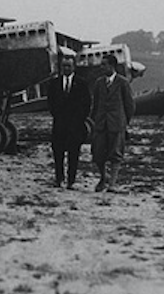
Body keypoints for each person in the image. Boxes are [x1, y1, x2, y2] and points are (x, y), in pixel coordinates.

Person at [90, 54, 135, 192]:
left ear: (112, 66)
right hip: (101, 124)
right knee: (97, 154)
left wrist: (124, 122)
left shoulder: (123, 83)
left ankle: (112, 184)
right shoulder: (98, 83)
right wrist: (93, 120)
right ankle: (103, 178)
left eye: (104, 64)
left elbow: (130, 105)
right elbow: (95, 104)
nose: (101, 67)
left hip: (117, 124)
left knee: (115, 154)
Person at [48, 51, 92, 188]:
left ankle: (71, 181)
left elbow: (87, 103)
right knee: (58, 152)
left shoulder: (81, 84)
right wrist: (57, 115)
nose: (66, 69)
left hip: (75, 125)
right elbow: (50, 102)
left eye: (69, 66)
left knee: (73, 153)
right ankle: (59, 178)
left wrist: (79, 119)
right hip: (59, 124)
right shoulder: (54, 83)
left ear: (74, 67)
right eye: (64, 66)